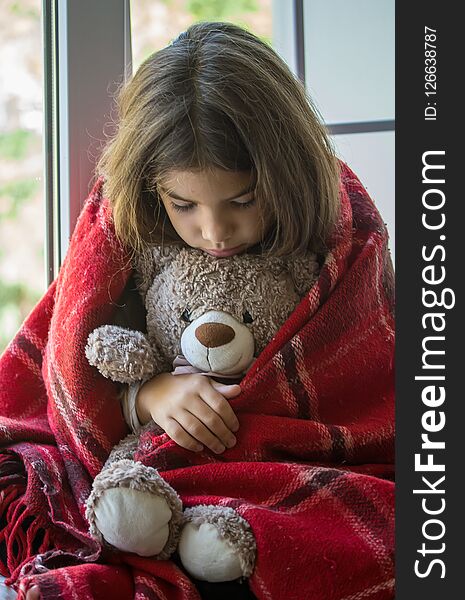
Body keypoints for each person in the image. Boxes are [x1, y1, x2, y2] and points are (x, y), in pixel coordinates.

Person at [21, 20, 347, 600]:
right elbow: (73, 369)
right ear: (153, 192)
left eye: (243, 200)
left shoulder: (337, 239)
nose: (215, 230)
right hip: (150, 460)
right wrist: (145, 396)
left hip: (290, 469)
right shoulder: (128, 231)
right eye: (185, 205)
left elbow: (372, 391)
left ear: (286, 174)